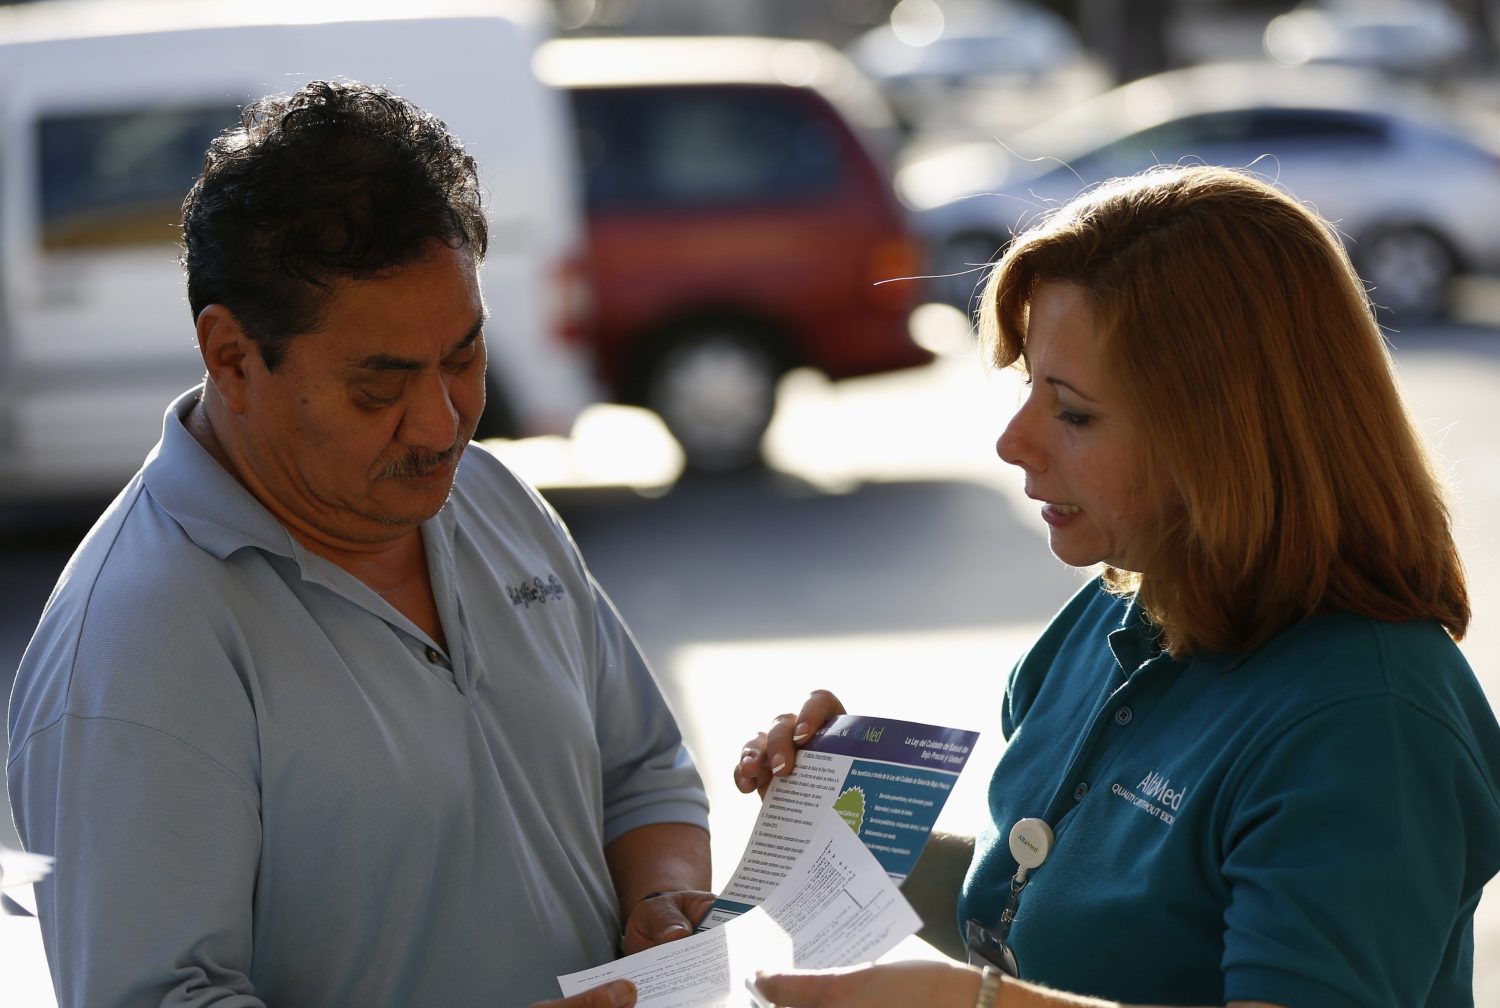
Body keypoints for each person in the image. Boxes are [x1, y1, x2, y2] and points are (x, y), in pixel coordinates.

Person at [6, 80, 710, 1008]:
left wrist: (661, 902)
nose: (442, 422)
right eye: (380, 387)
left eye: (464, 357)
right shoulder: (134, 647)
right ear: (231, 358)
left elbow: (642, 771)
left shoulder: (492, 498)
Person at [735, 164, 1500, 1007]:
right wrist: (848, 821)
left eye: (1073, 412)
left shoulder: (1368, 722)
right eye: (1028, 386)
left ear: (1227, 440)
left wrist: (976, 1004)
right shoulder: (1117, 608)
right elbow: (1031, 914)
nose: (1012, 442)